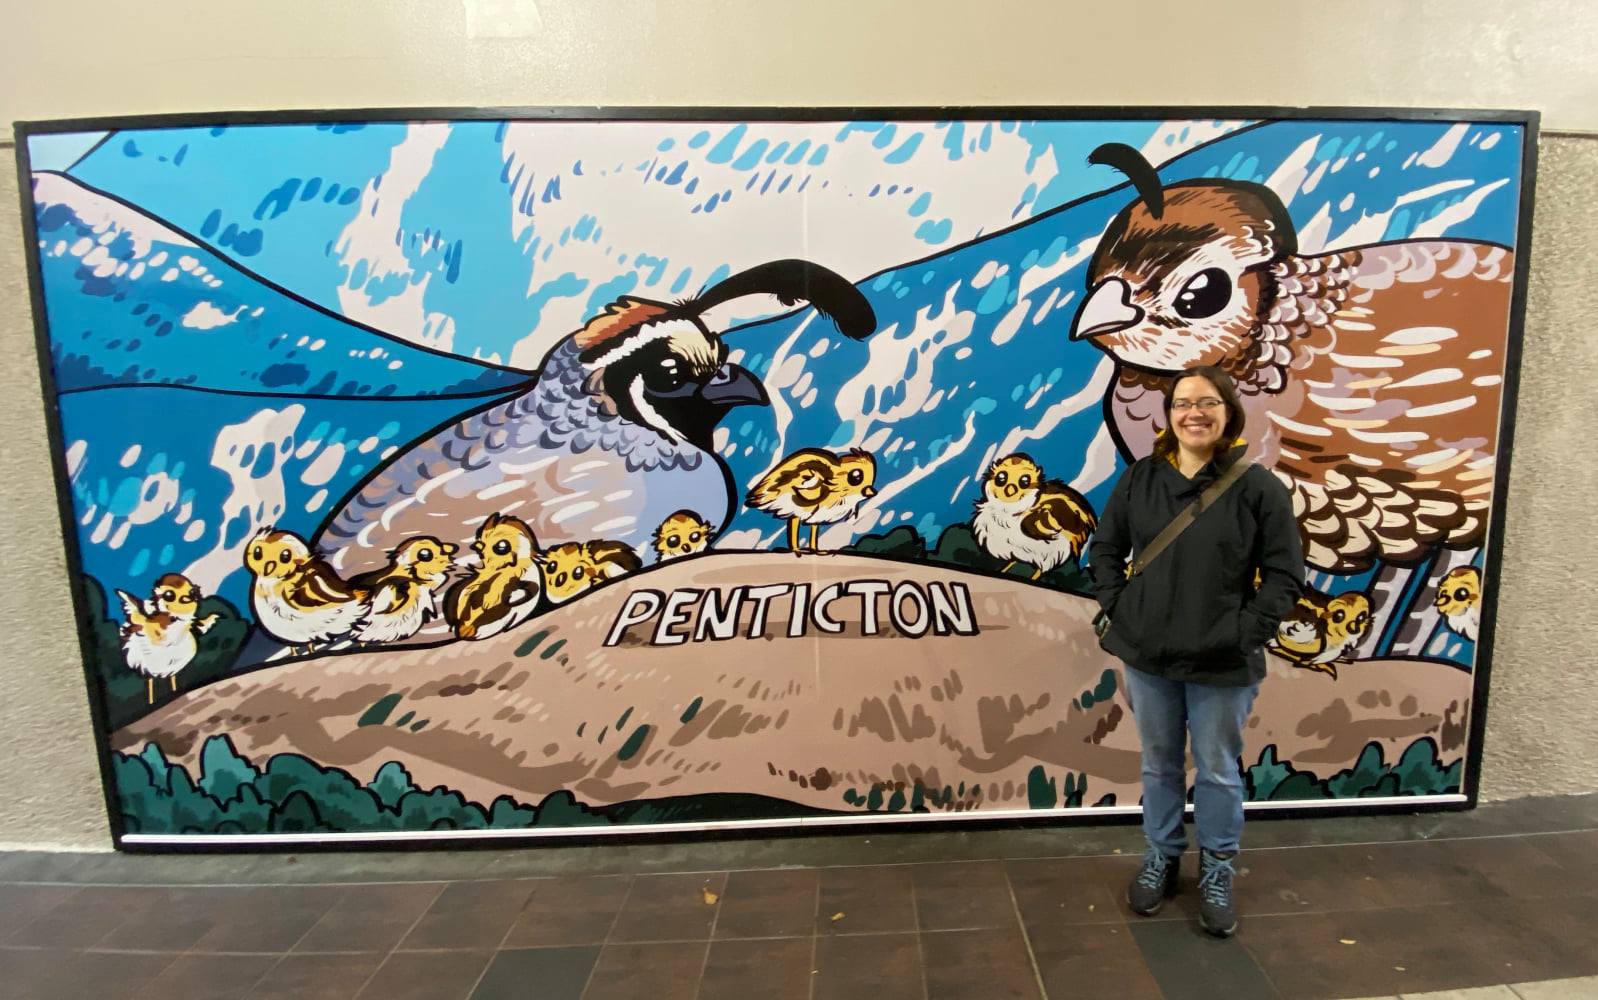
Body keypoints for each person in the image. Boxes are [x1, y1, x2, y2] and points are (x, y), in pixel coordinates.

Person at [1088, 363, 1303, 937]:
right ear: (1169, 414)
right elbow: (1105, 550)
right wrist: (1121, 606)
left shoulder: (1258, 488)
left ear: (1228, 413)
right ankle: (1161, 856)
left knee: (1217, 772)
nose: (1194, 413)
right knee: (1158, 765)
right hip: (1150, 656)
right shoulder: (1140, 480)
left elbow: (1285, 575)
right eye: (1183, 403)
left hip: (1223, 661)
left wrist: (1247, 631)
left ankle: (1218, 868)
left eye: (1208, 403)